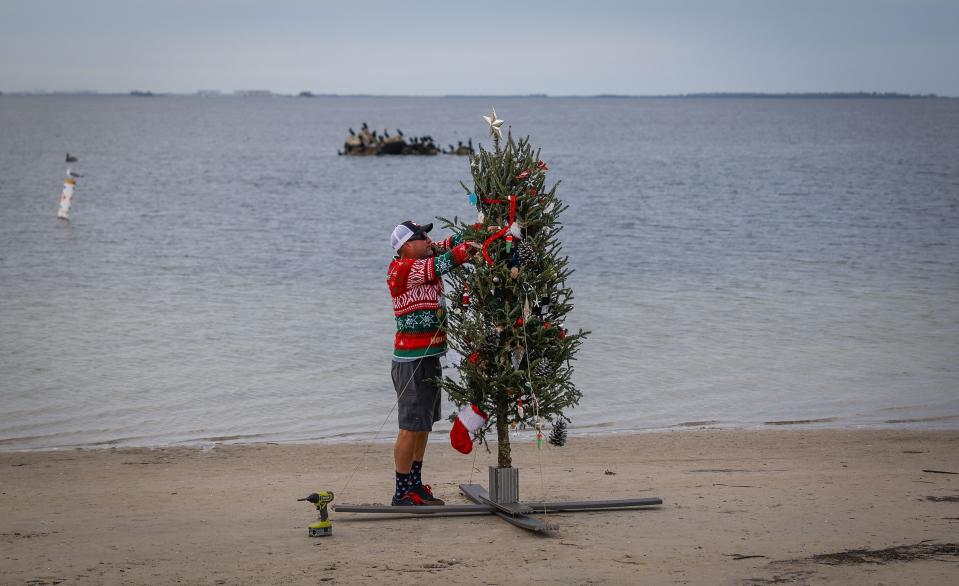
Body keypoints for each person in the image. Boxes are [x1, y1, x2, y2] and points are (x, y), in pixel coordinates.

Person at [386, 220, 475, 506]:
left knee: (424, 423)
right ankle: (401, 492)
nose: (428, 239)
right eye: (422, 236)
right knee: (410, 426)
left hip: (430, 355)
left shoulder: (424, 254)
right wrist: (465, 253)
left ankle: (416, 484)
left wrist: (481, 227)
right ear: (407, 246)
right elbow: (444, 262)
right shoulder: (400, 270)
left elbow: (448, 245)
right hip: (410, 360)